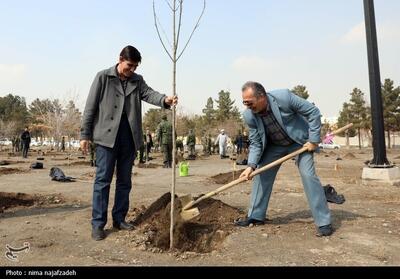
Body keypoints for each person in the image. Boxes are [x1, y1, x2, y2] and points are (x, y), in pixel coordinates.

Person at [80, 45, 178, 241]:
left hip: (129, 138)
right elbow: (90, 107)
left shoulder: (137, 80)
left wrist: (165, 100)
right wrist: (85, 134)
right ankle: (98, 224)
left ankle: (119, 219)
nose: (131, 70)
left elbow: (150, 94)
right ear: (120, 59)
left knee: (125, 181)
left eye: (135, 67)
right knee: (103, 181)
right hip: (106, 139)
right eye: (129, 66)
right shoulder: (103, 77)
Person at [235, 81, 333, 237]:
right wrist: (251, 166)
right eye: (244, 102)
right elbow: (255, 142)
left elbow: (313, 112)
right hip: (275, 146)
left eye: (249, 102)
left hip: (300, 143)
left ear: (261, 97)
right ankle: (255, 216)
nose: (247, 106)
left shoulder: (284, 97)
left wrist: (314, 140)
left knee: (308, 176)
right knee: (260, 174)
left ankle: (324, 222)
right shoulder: (249, 115)